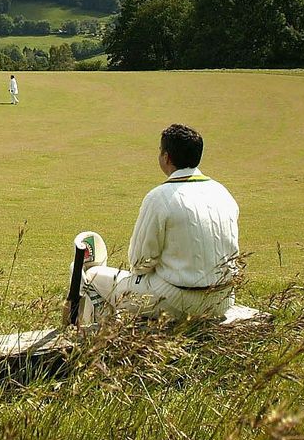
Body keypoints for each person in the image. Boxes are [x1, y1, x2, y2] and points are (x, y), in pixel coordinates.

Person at [80, 124, 241, 323]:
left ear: (166, 157)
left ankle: (95, 344)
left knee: (92, 276)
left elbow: (139, 262)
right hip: (222, 301)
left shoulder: (159, 198)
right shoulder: (222, 192)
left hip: (176, 301)